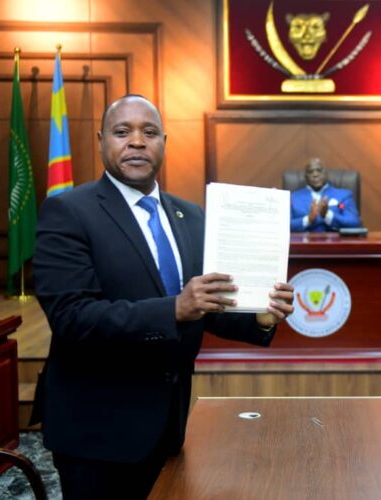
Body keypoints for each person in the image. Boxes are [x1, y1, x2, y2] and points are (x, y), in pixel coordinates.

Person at [33, 94, 295, 499]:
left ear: (164, 143)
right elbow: (72, 317)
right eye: (123, 132)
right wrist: (175, 308)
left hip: (169, 421)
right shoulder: (68, 211)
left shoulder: (189, 215)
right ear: (101, 141)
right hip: (97, 431)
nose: (137, 142)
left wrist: (260, 317)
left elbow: (205, 303)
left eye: (149, 132)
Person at [289, 157, 361, 231]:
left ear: (326, 173)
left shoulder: (344, 196)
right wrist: (308, 219)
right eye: (310, 172)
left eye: (319, 170)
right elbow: (285, 225)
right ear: (305, 176)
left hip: (334, 238)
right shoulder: (293, 198)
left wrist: (327, 215)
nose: (315, 174)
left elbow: (354, 222)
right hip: (304, 238)